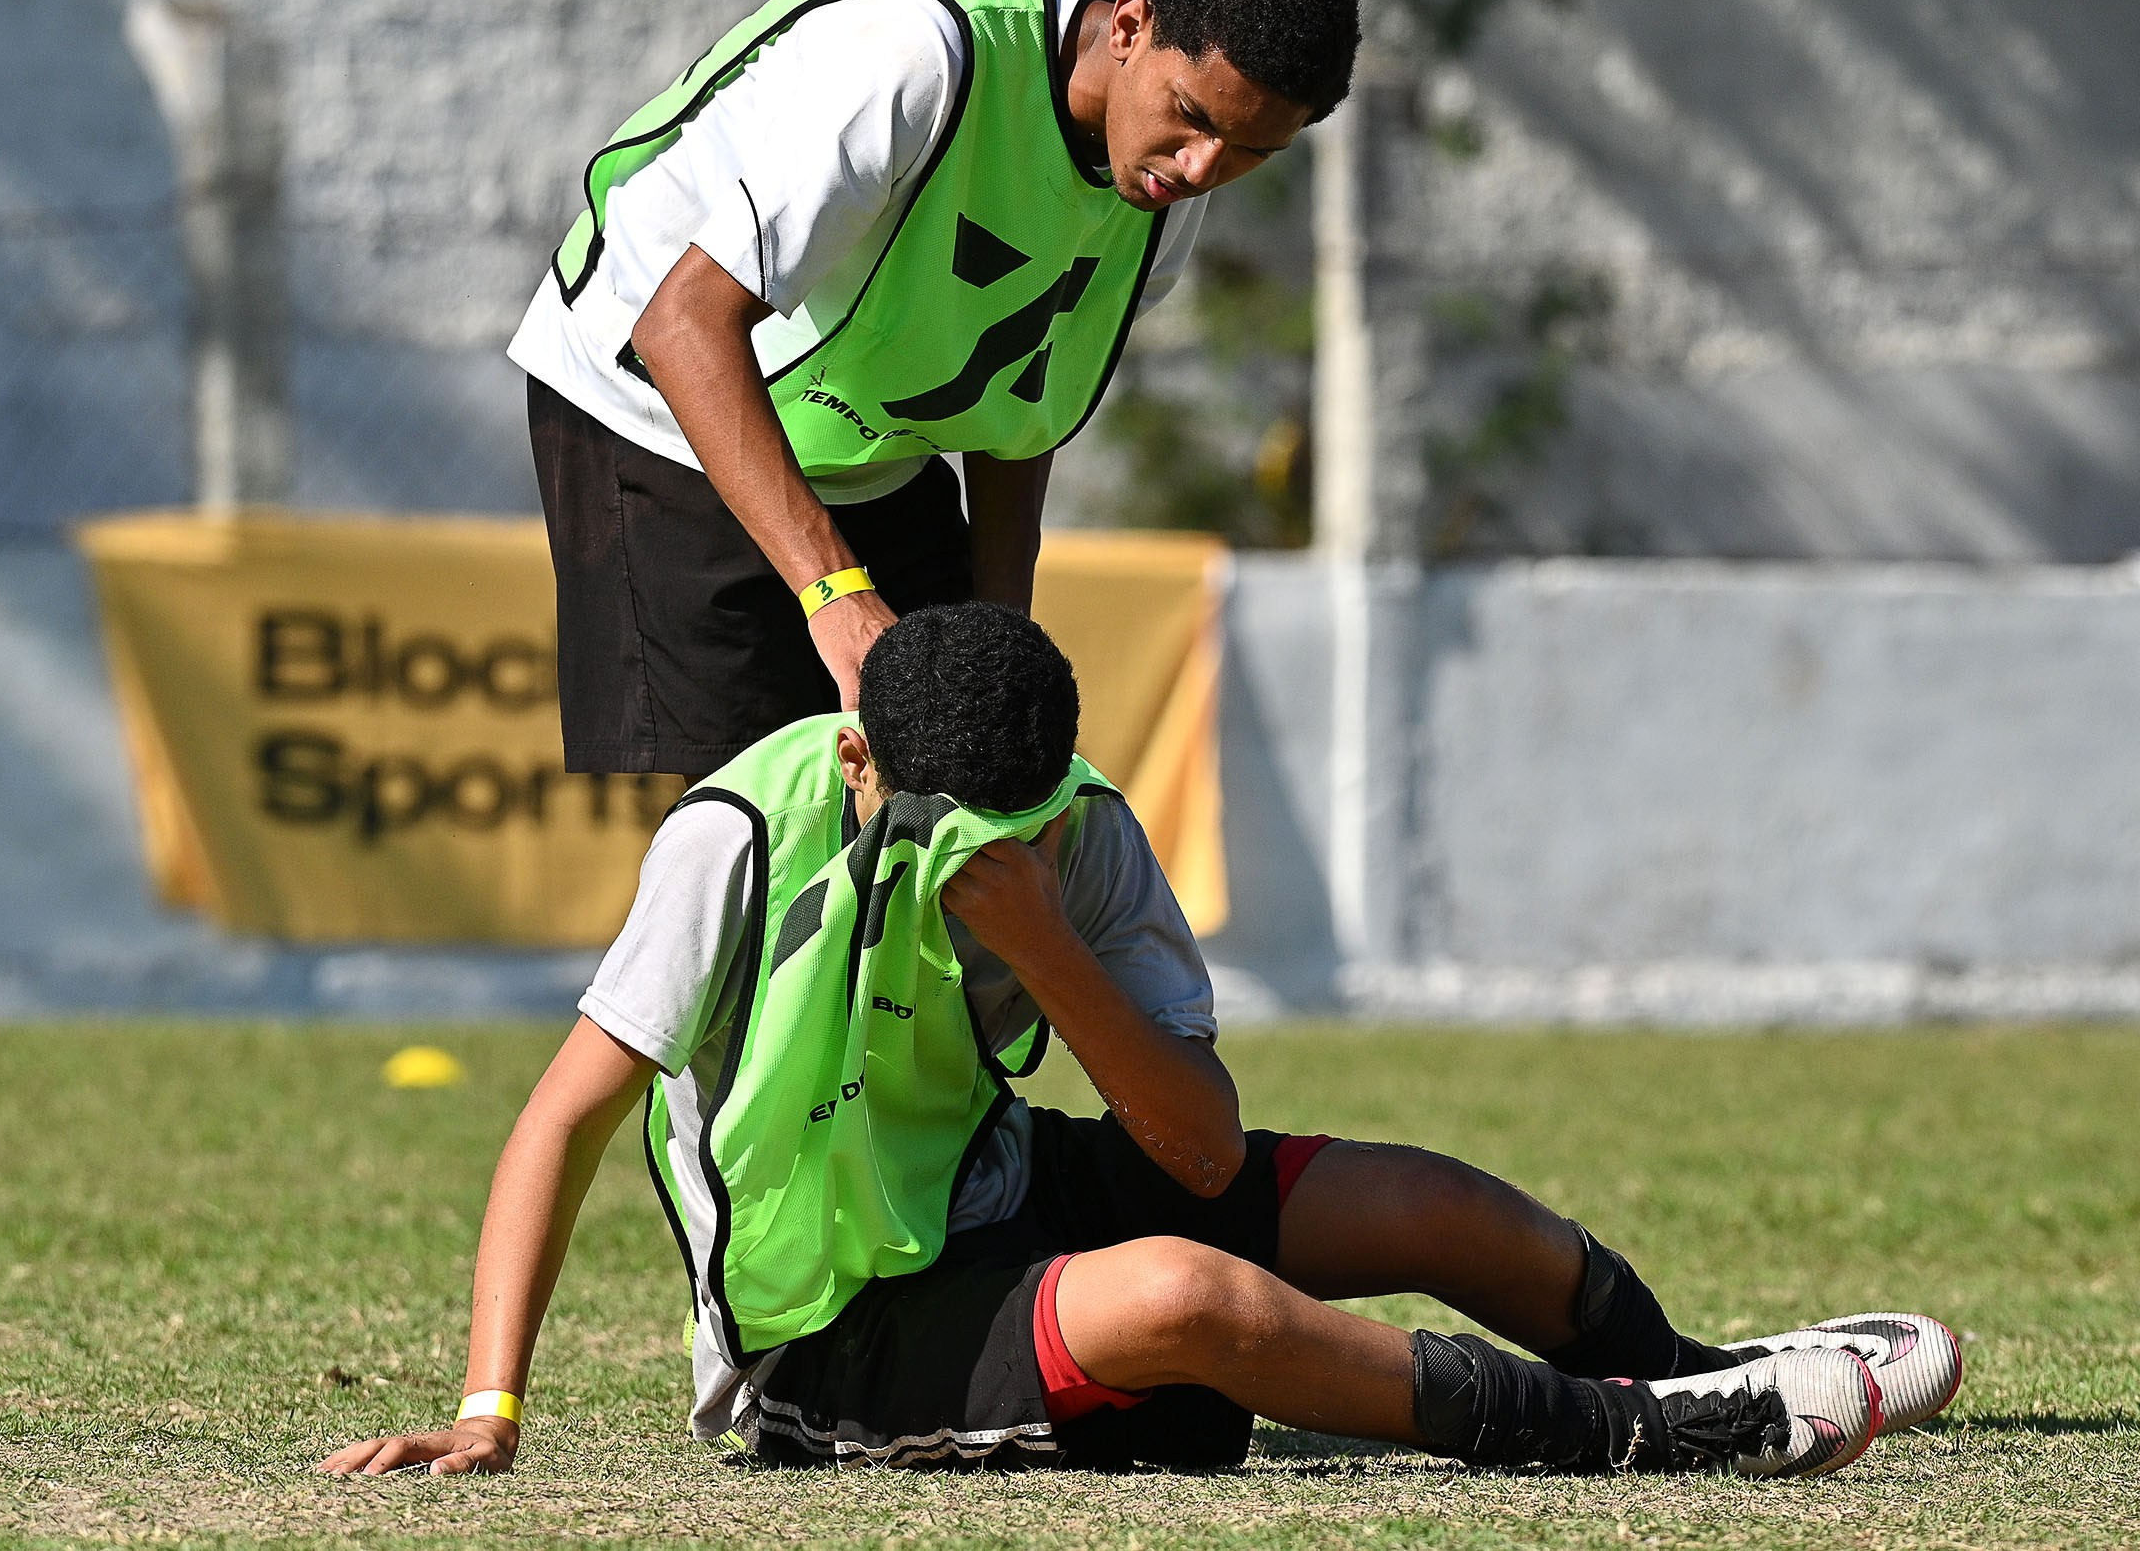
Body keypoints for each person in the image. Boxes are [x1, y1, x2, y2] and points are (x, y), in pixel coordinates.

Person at [323, 605, 1962, 1479]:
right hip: (831, 1333)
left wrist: (1045, 943)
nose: (995, 845)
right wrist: (490, 1408)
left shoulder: (1073, 833)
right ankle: (1637, 1436)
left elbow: (1202, 1150)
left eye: (1024, 820)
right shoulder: (738, 842)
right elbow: (565, 1117)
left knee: (1427, 1205)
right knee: (1192, 1301)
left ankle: (1691, 1363)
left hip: (1002, 1176)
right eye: (962, 827)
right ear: (864, 761)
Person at [507, 0, 1359, 784]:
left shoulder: (1169, 173)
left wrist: (1003, 644)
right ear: (1132, 26)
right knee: (768, 817)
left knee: (961, 778)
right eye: (1190, 117)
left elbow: (1019, 408)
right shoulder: (917, 61)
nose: (1202, 168)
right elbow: (681, 323)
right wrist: (836, 597)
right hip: (662, 402)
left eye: (1253, 150)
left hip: (868, 439)